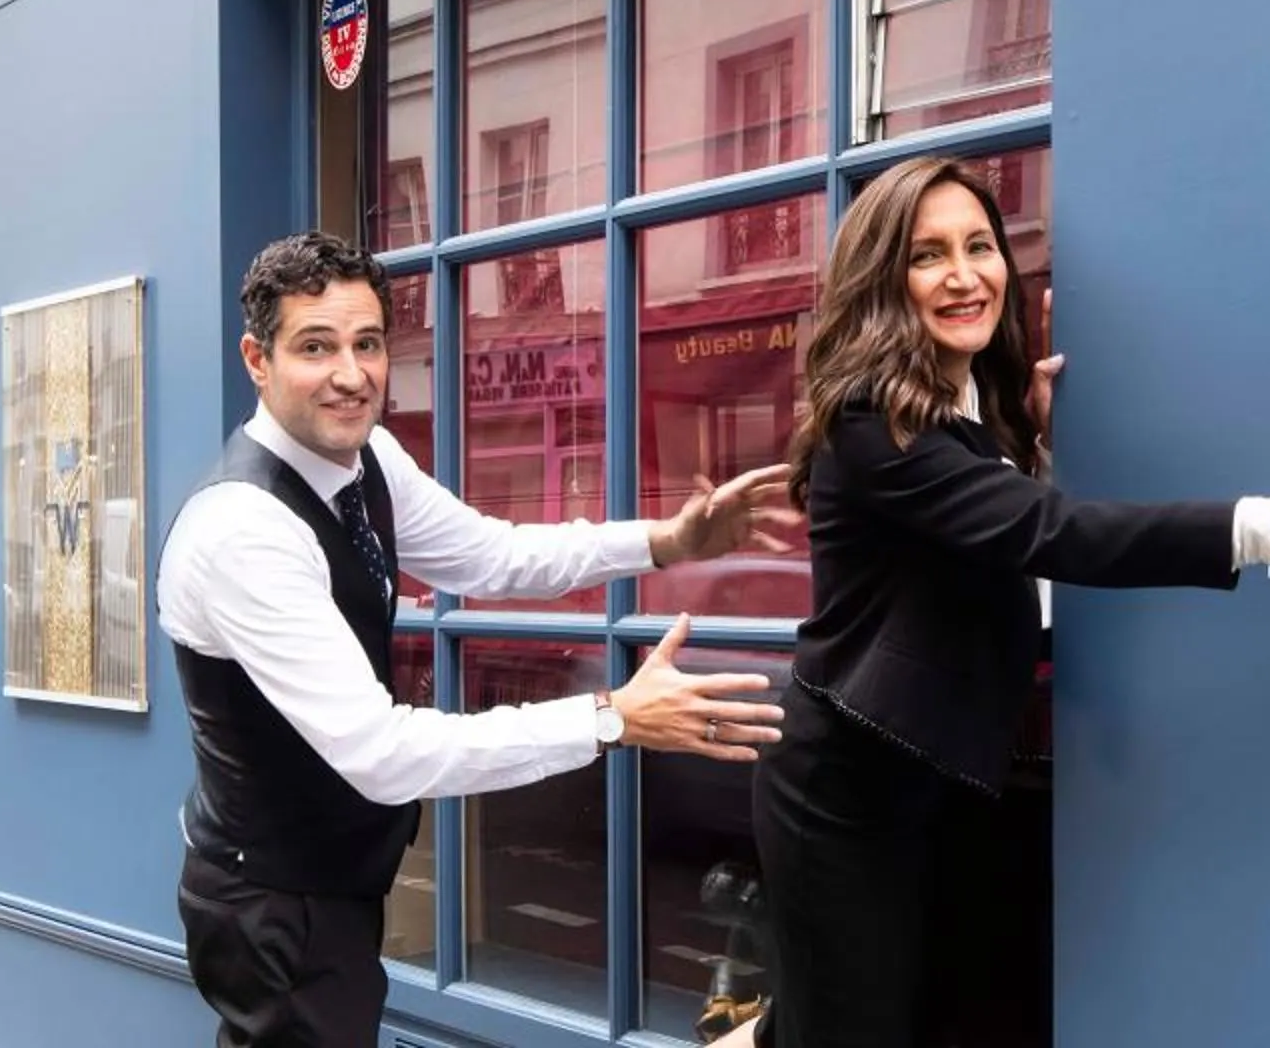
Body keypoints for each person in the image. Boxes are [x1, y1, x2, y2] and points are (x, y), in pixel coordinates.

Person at [745, 157, 1270, 1048]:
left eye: (981, 245)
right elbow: (1058, 536)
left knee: (898, 1012)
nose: (966, 274)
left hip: (937, 773)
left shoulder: (970, 402)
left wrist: (1033, 437)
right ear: (883, 281)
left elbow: (998, 536)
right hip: (845, 787)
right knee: (850, 1027)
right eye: (929, 256)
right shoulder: (871, 424)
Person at [162, 230, 798, 1048]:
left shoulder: (368, 462)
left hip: (328, 888)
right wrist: (609, 718)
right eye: (315, 348)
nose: (351, 376)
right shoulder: (242, 529)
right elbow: (381, 751)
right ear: (257, 358)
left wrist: (664, 542)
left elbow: (492, 555)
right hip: (272, 905)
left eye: (368, 344)